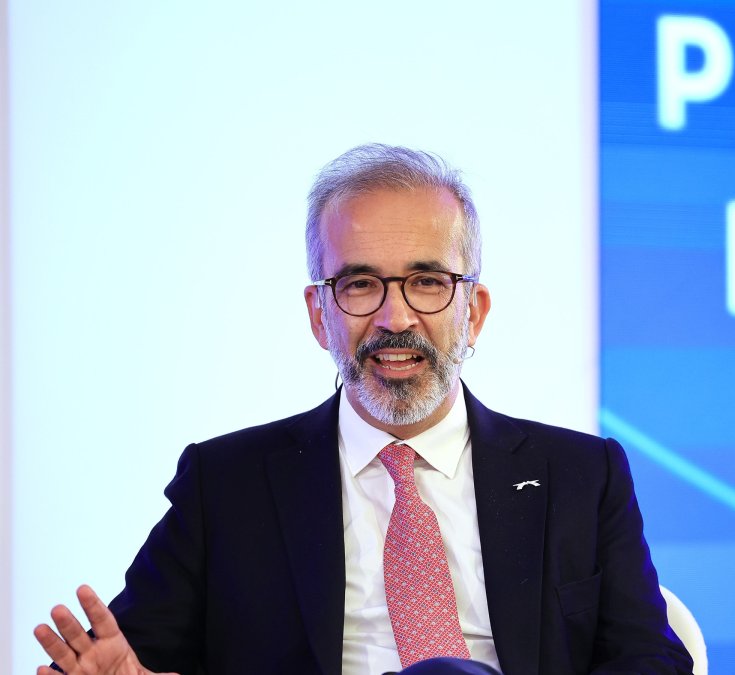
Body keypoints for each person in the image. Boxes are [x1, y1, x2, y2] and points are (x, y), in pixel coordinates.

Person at [33, 144, 693, 675]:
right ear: (320, 315)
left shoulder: (581, 473)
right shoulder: (227, 484)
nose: (395, 315)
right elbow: (124, 657)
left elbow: (651, 657)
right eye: (360, 284)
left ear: (475, 313)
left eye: (429, 281)